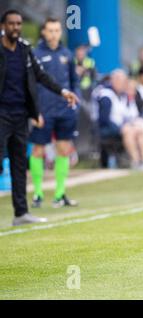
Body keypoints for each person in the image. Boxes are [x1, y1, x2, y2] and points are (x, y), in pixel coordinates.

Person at [0, 10, 78, 226]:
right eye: (11, 24)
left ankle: (21, 213)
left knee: (18, 165)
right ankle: (33, 199)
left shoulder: (25, 50)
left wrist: (63, 92)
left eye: (18, 24)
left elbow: (40, 76)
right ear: (3, 26)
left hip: (21, 115)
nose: (16, 27)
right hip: (2, 114)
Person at [29, 17, 80, 209]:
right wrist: (34, 109)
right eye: (50, 30)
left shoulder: (67, 54)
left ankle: (60, 193)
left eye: (57, 30)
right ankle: (38, 193)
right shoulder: (35, 54)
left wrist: (76, 100)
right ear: (43, 32)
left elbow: (74, 82)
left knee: (64, 149)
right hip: (43, 111)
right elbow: (31, 84)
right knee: (38, 150)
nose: (53, 34)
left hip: (65, 111)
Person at [97, 70, 143, 171]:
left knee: (139, 130)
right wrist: (120, 128)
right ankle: (135, 161)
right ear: (115, 81)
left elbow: (130, 115)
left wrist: (133, 123)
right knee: (128, 131)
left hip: (124, 126)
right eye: (122, 82)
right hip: (108, 128)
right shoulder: (106, 95)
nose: (124, 84)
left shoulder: (123, 95)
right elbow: (104, 119)